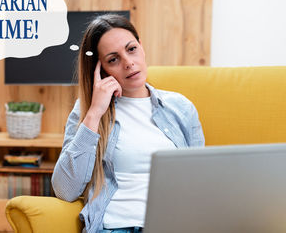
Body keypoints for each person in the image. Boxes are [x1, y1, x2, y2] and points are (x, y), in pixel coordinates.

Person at [51, 14, 205, 233]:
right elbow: (65, 190)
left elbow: (200, 180)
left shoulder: (180, 107)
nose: (128, 63)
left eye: (131, 49)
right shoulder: (87, 113)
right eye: (113, 59)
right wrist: (95, 112)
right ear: (101, 70)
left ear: (141, 47)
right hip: (115, 227)